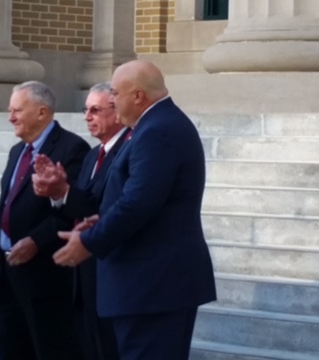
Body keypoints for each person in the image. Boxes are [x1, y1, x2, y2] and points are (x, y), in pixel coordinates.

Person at [53, 60, 216, 359]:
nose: (112, 99)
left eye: (115, 92)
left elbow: (140, 202)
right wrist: (100, 220)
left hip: (154, 286)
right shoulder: (154, 126)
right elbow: (140, 197)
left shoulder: (158, 130)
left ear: (138, 95)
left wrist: (90, 241)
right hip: (149, 285)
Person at [0, 81, 90, 360]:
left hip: (46, 278)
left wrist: (36, 241)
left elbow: (72, 211)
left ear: (42, 112)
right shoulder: (17, 151)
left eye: (17, 110)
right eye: (10, 110)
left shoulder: (72, 149)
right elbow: (8, 202)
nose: (10, 117)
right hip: (8, 273)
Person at [32, 82, 129, 360]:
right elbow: (82, 203)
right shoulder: (91, 155)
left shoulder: (128, 150)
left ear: (117, 111)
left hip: (111, 276)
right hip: (85, 280)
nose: (87, 117)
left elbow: (108, 208)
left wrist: (64, 191)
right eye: (86, 110)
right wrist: (58, 194)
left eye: (95, 110)